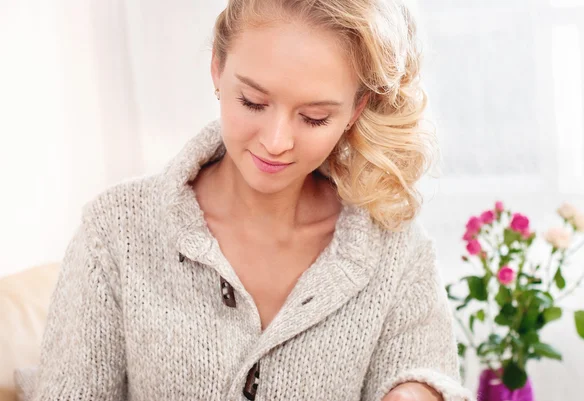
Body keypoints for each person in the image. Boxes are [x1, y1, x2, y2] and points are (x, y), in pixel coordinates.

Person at [23, 0, 474, 400]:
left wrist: (417, 392)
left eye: (314, 118)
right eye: (253, 102)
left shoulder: (396, 250)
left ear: (356, 109)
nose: (277, 142)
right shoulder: (115, 231)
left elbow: (424, 373)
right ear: (217, 67)